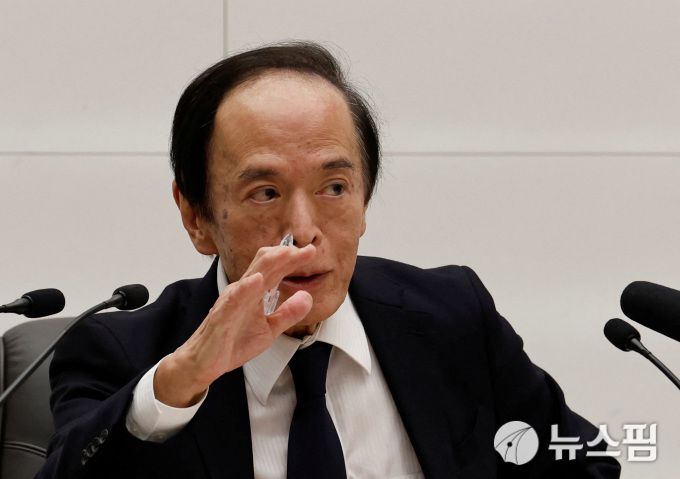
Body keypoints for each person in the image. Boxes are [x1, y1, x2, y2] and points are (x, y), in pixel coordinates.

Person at [38, 42, 621, 478]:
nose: (303, 231)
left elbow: (583, 461)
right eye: (265, 193)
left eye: (334, 188)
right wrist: (180, 383)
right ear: (195, 216)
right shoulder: (126, 355)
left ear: (364, 200)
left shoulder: (451, 318)